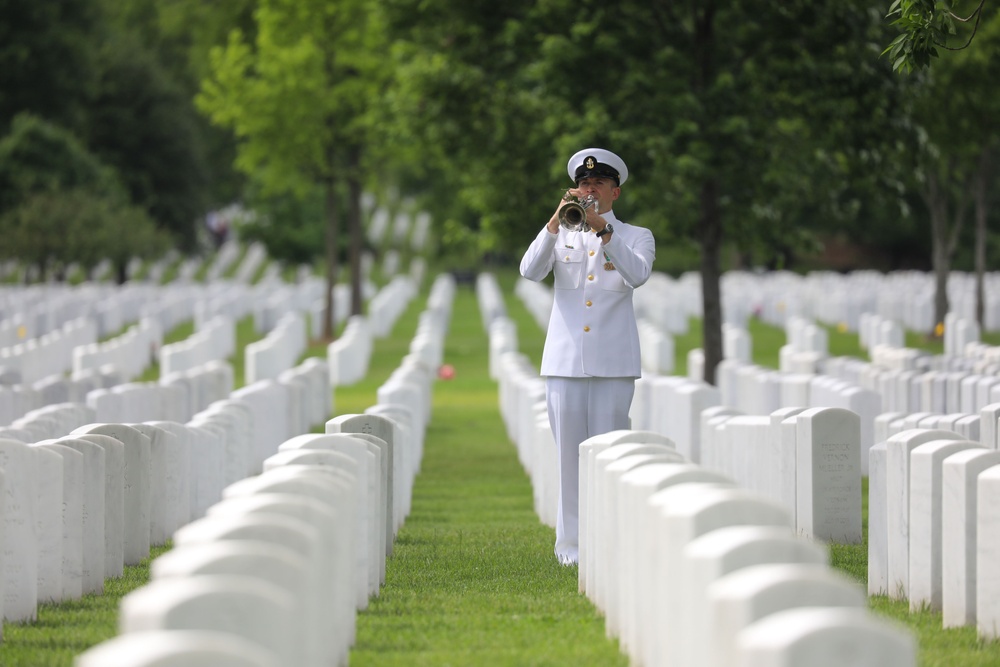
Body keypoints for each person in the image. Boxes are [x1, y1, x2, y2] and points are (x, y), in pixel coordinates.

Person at [519, 147, 655, 565]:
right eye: (583, 183)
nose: (589, 189)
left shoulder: (636, 235)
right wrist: (555, 223)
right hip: (564, 363)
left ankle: (610, 543)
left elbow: (637, 275)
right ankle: (571, 549)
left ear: (615, 192)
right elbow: (529, 270)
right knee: (569, 460)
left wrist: (605, 232)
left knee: (610, 456)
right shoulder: (562, 231)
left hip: (613, 364)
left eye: (598, 184)